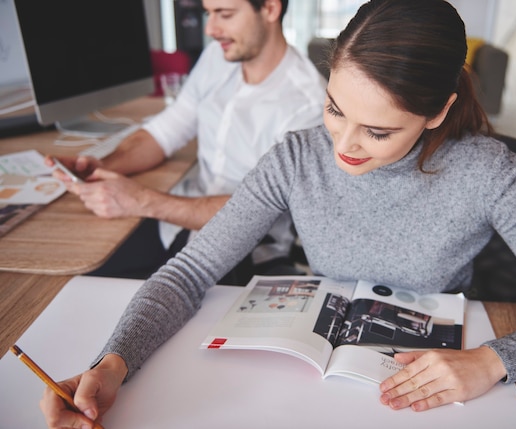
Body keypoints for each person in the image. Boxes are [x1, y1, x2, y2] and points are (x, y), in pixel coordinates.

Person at [40, 0, 516, 426]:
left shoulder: (490, 173)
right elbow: (189, 274)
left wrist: (493, 361)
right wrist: (114, 363)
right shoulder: (296, 156)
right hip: (312, 389)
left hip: (429, 391)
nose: (343, 144)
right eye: (334, 109)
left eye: (378, 130)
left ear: (438, 111)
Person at [48, 0, 326, 282]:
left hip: (242, 254)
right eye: (209, 13)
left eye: (225, 14)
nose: (211, 29)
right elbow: (165, 131)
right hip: (176, 222)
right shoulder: (216, 58)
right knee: (75, 274)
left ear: (269, 9)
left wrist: (141, 200)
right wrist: (103, 166)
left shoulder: (308, 106)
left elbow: (252, 215)